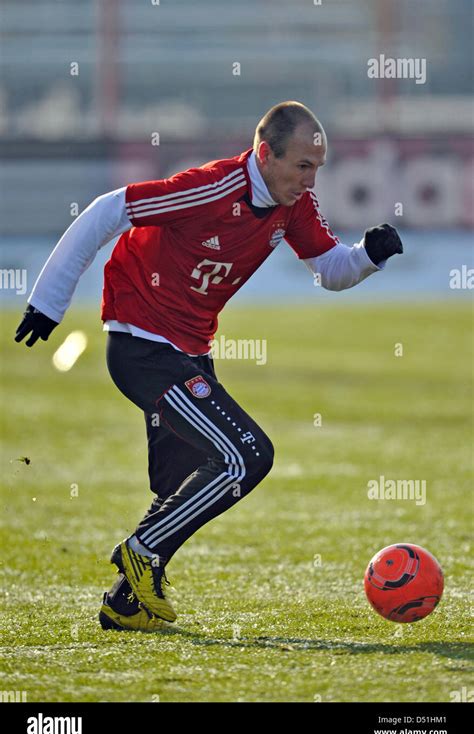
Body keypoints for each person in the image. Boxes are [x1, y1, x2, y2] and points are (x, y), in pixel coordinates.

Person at [14, 101, 403, 631]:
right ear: (266, 154)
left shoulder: (294, 205)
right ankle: (141, 549)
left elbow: (329, 269)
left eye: (318, 168)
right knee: (248, 455)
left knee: (179, 480)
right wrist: (50, 300)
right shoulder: (213, 188)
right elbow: (109, 210)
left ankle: (126, 603)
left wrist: (368, 256)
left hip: (189, 351)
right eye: (303, 166)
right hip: (143, 348)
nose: (311, 180)